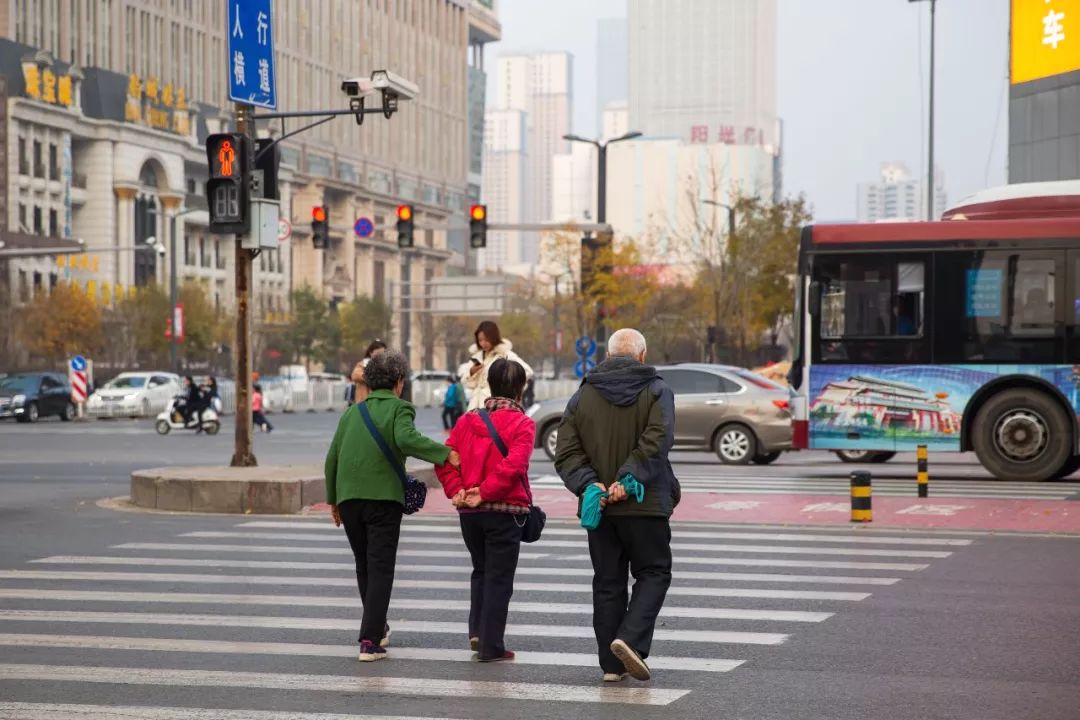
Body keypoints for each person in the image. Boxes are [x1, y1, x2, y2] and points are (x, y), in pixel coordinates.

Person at [554, 328, 679, 684]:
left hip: (600, 507)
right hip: (644, 503)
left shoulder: (583, 395)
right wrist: (627, 480)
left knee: (607, 582)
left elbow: (566, 452)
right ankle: (630, 639)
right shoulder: (657, 390)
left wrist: (589, 483)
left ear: (607, 356)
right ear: (642, 355)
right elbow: (658, 441)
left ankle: (611, 666)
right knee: (654, 572)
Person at [325, 350, 459, 662]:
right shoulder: (401, 409)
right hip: (382, 499)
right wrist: (446, 454)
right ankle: (370, 641)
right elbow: (407, 439)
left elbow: (332, 458)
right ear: (399, 383)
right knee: (381, 567)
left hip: (349, 499)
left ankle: (377, 626)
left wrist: (333, 499)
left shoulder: (350, 414)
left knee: (364, 565)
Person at [436, 359, 534, 663]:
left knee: (481, 570)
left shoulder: (466, 421)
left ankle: (477, 631)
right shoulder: (523, 424)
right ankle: (491, 645)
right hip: (504, 511)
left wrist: (459, 491)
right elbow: (513, 467)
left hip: (471, 515)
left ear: (489, 385)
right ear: (521, 390)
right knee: (499, 578)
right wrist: (485, 492)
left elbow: (444, 460)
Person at [463, 321, 534, 411]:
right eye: (480, 340)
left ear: (493, 338)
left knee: (492, 424)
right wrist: (472, 372)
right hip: (475, 404)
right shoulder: (477, 356)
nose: (483, 343)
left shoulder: (504, 353)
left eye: (486, 340)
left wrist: (508, 389)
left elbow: (527, 372)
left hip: (495, 405)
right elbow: (466, 382)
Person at [346, 340, 388, 406]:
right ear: (370, 352)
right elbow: (355, 375)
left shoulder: (387, 365)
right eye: (378, 353)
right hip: (364, 404)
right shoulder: (362, 364)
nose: (380, 356)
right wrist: (374, 377)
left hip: (381, 404)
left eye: (383, 353)